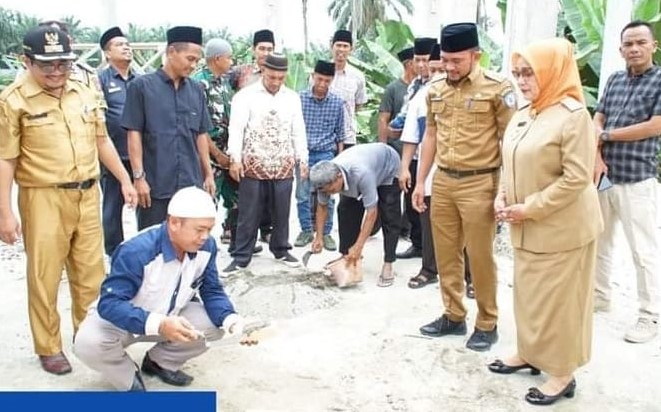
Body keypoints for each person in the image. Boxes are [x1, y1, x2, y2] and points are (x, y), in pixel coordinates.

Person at [0, 26, 136, 375]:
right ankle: (48, 347)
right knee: (45, 275)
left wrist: (125, 180)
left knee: (91, 273)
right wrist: (5, 212)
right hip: (43, 196)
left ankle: (88, 337)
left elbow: (102, 140)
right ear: (26, 61)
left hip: (89, 193)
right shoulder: (13, 100)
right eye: (47, 65)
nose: (56, 71)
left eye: (62, 63)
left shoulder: (83, 91)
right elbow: (6, 159)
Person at [489, 38, 603, 406]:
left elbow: (576, 178)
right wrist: (503, 195)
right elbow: (511, 162)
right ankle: (528, 353)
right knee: (529, 297)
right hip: (527, 226)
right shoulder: (527, 113)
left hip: (563, 229)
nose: (522, 81)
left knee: (561, 304)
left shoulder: (573, 116)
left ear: (552, 72)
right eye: (518, 73)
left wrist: (530, 207)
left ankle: (562, 374)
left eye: (529, 73)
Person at [74, 187, 247, 391]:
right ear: (174, 223)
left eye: (209, 229)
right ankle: (127, 375)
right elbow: (110, 305)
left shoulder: (206, 247)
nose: (205, 237)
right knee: (88, 343)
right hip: (123, 321)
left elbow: (212, 290)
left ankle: (160, 362)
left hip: (172, 315)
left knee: (215, 323)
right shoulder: (136, 251)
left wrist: (230, 319)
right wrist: (160, 324)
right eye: (199, 230)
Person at [413, 23, 516, 351]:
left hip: (480, 182)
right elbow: (430, 135)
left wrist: (505, 189)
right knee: (446, 254)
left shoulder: (499, 88)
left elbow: (510, 140)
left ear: (476, 55)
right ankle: (453, 315)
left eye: (457, 60)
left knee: (481, 255)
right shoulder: (436, 89)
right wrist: (420, 181)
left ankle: (487, 322)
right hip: (443, 181)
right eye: (445, 60)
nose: (450, 67)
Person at [593, 20, 661, 343]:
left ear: (653, 46)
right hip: (605, 176)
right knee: (599, 241)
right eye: (628, 44)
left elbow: (655, 126)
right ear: (620, 49)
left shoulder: (660, 80)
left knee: (643, 251)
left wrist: (605, 135)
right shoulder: (615, 80)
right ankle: (600, 298)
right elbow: (599, 115)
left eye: (640, 43)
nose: (633, 49)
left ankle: (649, 316)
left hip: (637, 179)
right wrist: (596, 145)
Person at [122, 26, 215, 231]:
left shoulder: (196, 90)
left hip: (190, 183)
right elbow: (134, 134)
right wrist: (139, 178)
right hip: (155, 185)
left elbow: (201, 135)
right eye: (190, 59)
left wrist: (208, 174)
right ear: (172, 52)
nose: (193, 65)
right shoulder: (142, 87)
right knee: (154, 242)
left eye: (196, 61)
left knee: (190, 240)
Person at [400, 44, 475, 296]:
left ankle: (471, 277)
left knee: (468, 225)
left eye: (440, 66)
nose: (438, 72)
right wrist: (407, 170)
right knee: (429, 220)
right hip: (430, 171)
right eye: (433, 67)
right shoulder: (423, 96)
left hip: (467, 172)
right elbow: (413, 136)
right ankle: (429, 269)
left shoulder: (475, 92)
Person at [224, 53, 308, 273]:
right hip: (253, 163)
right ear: (263, 72)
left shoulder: (292, 98)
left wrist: (303, 157)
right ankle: (242, 255)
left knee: (282, 211)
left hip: (283, 163)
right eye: (271, 77)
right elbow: (236, 129)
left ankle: (280, 249)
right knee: (248, 212)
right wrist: (235, 159)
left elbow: (298, 130)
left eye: (280, 78)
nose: (275, 82)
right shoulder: (245, 97)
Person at [192, 38, 264, 255]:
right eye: (229, 57)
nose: (232, 62)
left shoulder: (224, 82)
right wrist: (216, 154)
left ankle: (237, 243)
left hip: (229, 153)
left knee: (238, 199)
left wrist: (232, 153)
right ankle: (201, 248)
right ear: (217, 58)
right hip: (209, 155)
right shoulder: (198, 84)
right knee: (207, 201)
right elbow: (198, 128)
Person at [309, 143, 401, 287]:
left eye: (332, 189)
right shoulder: (324, 180)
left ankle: (388, 263)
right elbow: (322, 207)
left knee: (389, 214)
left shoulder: (362, 173)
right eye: (326, 191)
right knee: (346, 210)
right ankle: (347, 257)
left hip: (387, 166)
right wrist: (319, 237)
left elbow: (371, 212)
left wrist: (359, 246)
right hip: (361, 169)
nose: (330, 193)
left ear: (339, 177)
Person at [230, 29, 276, 245]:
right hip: (246, 142)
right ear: (254, 50)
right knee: (245, 195)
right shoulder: (241, 73)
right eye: (262, 48)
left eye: (269, 48)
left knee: (268, 192)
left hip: (270, 142)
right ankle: (240, 236)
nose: (266, 52)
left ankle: (267, 229)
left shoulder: (278, 72)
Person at [294, 60, 345, 251]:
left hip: (326, 153)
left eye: (327, 81)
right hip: (304, 153)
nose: (322, 84)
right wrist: (298, 155)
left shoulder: (338, 103)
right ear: (313, 76)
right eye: (320, 79)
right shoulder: (300, 99)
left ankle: (325, 233)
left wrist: (339, 160)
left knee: (328, 194)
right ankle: (306, 230)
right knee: (302, 193)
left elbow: (340, 133)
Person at [98, 26, 139, 256]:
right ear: (107, 53)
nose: (126, 47)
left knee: (144, 201)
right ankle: (114, 251)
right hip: (113, 153)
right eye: (119, 45)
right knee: (113, 206)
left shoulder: (140, 79)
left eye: (127, 44)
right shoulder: (100, 80)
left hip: (138, 154)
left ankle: (144, 246)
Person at [395, 37, 436, 260]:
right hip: (414, 152)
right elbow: (406, 120)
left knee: (428, 205)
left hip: (434, 157)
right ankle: (418, 245)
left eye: (425, 60)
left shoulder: (439, 86)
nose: (421, 65)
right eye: (417, 60)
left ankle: (432, 253)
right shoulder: (414, 86)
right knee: (411, 201)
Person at [329, 30, 367, 150]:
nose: (341, 49)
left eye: (345, 46)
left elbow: (358, 105)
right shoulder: (320, 74)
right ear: (332, 46)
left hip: (348, 137)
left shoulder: (358, 76)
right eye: (338, 45)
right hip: (324, 137)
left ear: (351, 49)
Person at [377, 46, 414, 147]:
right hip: (396, 147)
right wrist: (383, 148)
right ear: (410, 64)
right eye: (418, 60)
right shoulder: (392, 88)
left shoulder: (423, 87)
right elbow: (383, 119)